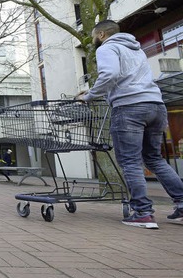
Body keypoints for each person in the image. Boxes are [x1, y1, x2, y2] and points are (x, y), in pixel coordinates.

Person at [76, 19, 183, 229]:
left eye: (93, 35)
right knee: (155, 159)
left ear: (101, 35)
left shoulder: (107, 48)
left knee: (130, 161)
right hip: (155, 105)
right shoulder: (137, 50)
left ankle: (143, 212)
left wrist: (88, 96)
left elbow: (110, 74)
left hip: (130, 108)